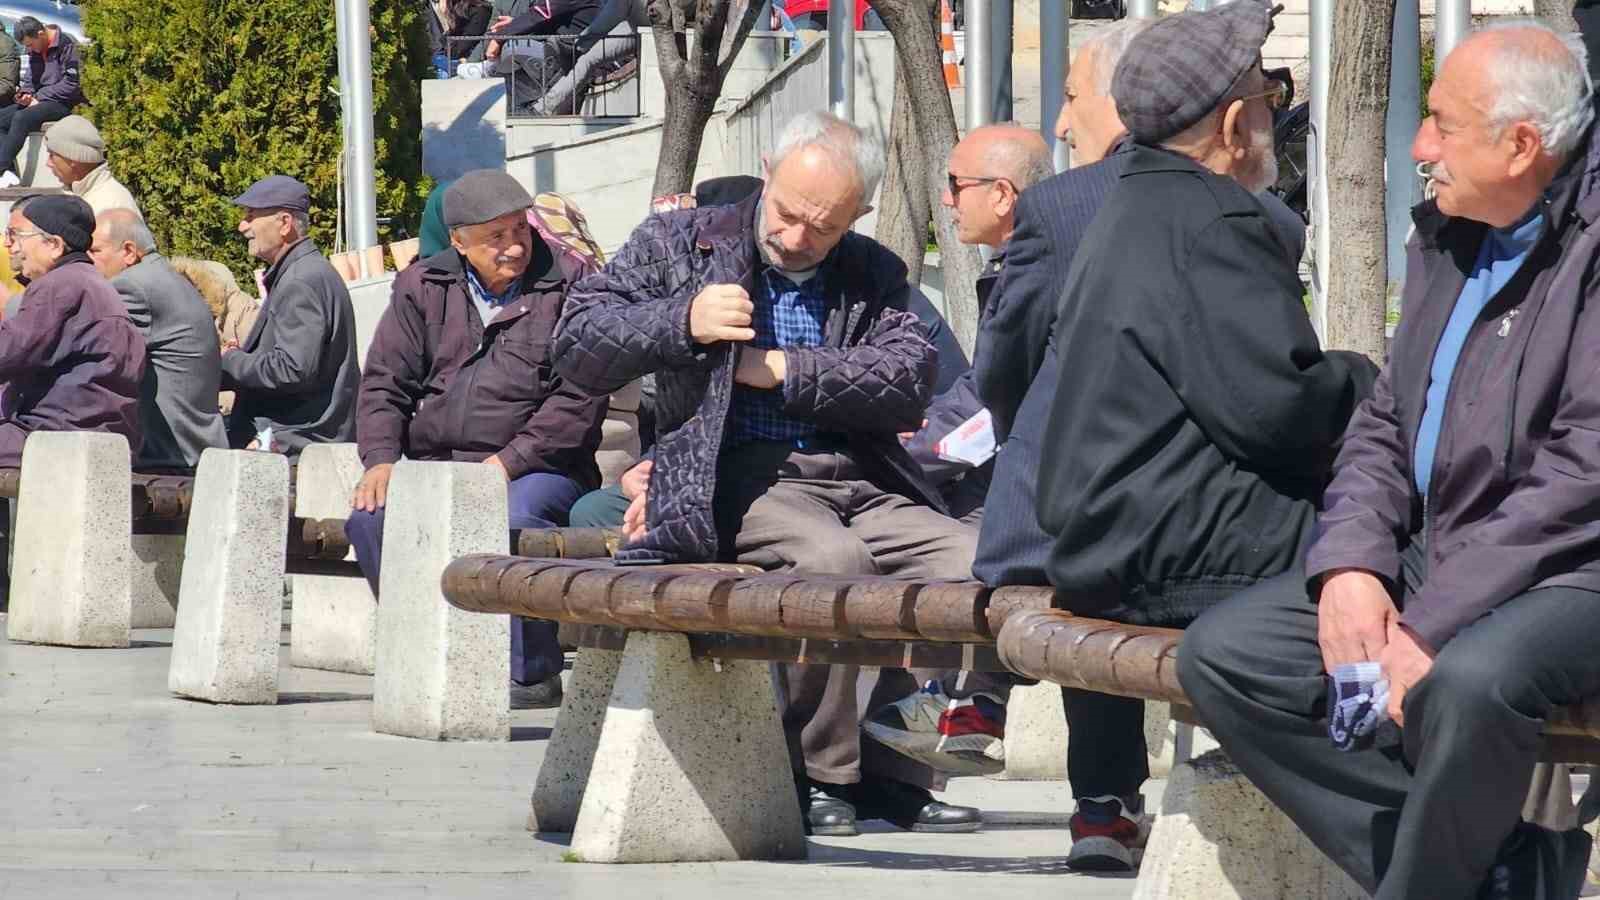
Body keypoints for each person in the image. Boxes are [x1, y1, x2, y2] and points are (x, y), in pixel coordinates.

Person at [1182, 23, 1600, 899]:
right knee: (1229, 656)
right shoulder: (1451, 232)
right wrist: (1351, 568)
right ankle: (1502, 873)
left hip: (1570, 570)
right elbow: (1386, 420)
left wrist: (1427, 623)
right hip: (1441, 548)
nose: (1420, 147)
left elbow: (1580, 476)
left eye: (1443, 124)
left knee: (1470, 682)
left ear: (1522, 145)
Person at [553, 110, 984, 837]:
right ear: (766, 171)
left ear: (859, 214)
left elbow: (910, 378)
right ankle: (821, 771)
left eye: (823, 226)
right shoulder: (681, 243)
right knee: (832, 564)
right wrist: (680, 319)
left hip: (866, 476)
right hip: (742, 474)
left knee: (981, 560)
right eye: (787, 213)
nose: (795, 237)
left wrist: (782, 368)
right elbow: (576, 342)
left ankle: (902, 756)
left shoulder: (872, 270)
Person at [1037, 1, 1377, 872]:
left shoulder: (1134, 205)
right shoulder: (1213, 220)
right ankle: (1441, 828)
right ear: (1234, 123)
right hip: (1176, 553)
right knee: (1408, 563)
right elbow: (1281, 413)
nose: (1273, 112)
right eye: (1269, 94)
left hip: (1111, 541)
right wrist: (1372, 382)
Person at [349, 169, 607, 709]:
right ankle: (423, 648)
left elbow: (576, 402)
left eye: (520, 230)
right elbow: (384, 382)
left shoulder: (568, 288)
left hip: (539, 467)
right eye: (496, 237)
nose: (513, 247)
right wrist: (380, 460)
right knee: (371, 518)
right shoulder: (423, 285)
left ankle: (529, 672)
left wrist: (505, 464)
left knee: (513, 516)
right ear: (460, 242)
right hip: (437, 460)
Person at [860, 124, 1055, 778]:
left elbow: (993, 405)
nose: (946, 201)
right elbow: (983, 394)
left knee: (977, 551)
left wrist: (903, 459)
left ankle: (971, 707)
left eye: (956, 185)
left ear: (1002, 194)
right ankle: (968, 708)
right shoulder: (1021, 260)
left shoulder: (1038, 266)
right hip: (1019, 475)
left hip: (1051, 490)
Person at [0, 195, 144, 465]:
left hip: (58, 434)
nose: (13, 246)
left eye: (18, 235)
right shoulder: (90, 281)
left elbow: (9, 352)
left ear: (54, 245)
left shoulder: (60, 285)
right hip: (96, 432)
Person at [223, 175, 359, 455]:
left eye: (251, 215)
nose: (242, 225)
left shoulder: (300, 281)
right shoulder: (301, 273)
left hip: (297, 444)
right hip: (299, 440)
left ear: (284, 223)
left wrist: (232, 360)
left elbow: (292, 369)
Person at [88, 209, 228, 472]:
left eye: (95, 251)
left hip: (169, 459)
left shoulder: (132, 286)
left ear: (129, 251)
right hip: (197, 451)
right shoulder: (166, 277)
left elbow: (97, 357)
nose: (88, 259)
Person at [0, 18, 83, 189]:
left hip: (61, 102)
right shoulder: (36, 49)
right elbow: (31, 79)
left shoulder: (67, 45)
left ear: (41, 34)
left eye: (30, 45)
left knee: (21, 118)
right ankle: (9, 173)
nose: (29, 50)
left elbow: (71, 84)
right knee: (2, 117)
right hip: (39, 100)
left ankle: (0, 169)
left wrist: (41, 96)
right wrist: (24, 94)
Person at [43, 115, 141, 218]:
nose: (48, 163)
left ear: (73, 159)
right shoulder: (83, 193)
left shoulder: (109, 207)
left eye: (52, 155)